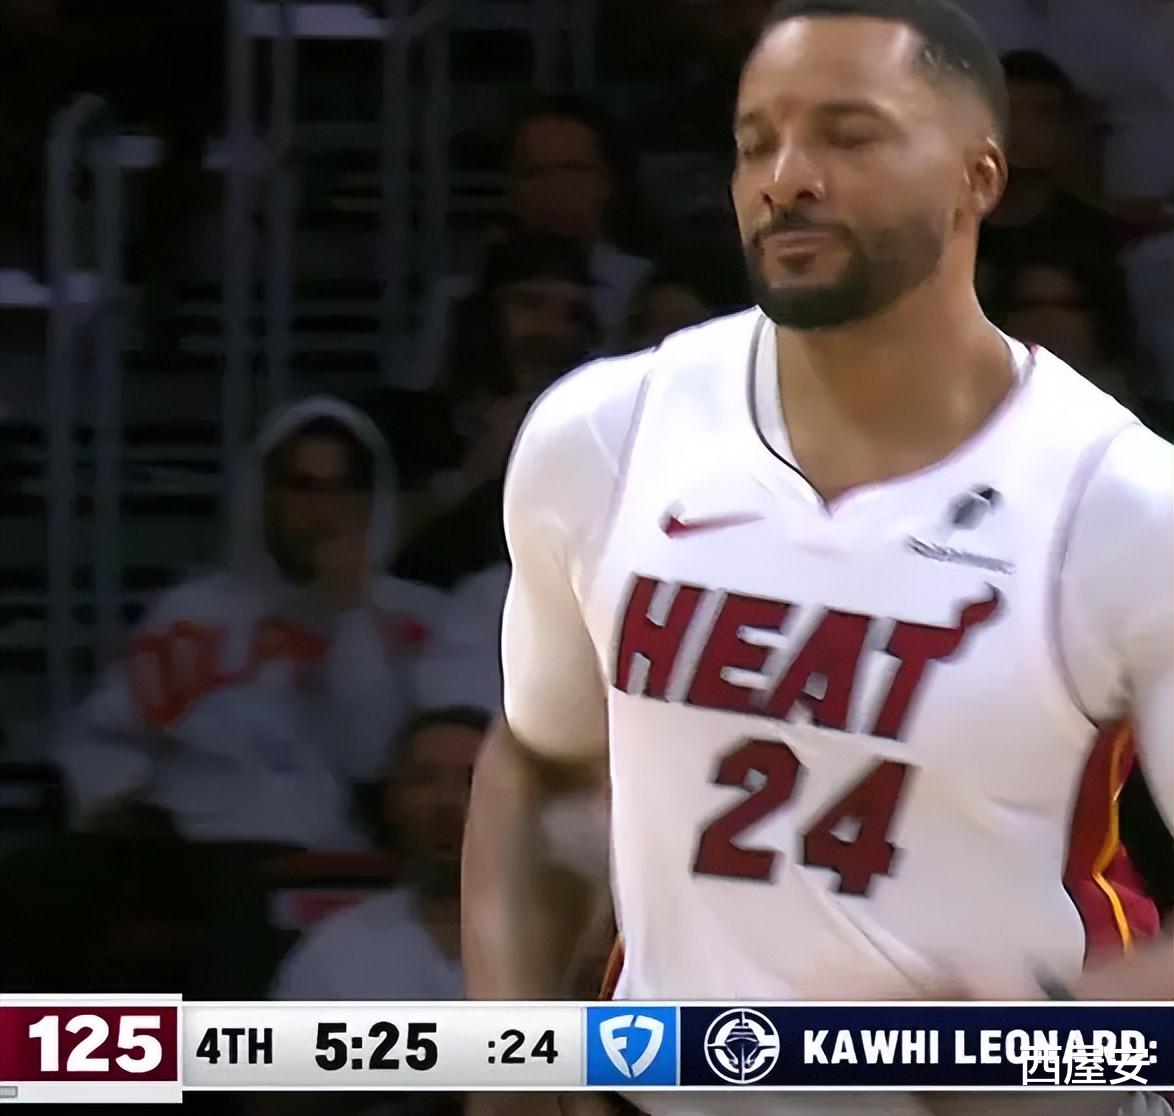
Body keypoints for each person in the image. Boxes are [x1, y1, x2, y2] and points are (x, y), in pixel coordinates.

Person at [462, 3, 1173, 1116]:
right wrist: (508, 1065)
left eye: (849, 135)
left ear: (977, 177)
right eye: (757, 143)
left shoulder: (1122, 503)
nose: (786, 179)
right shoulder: (603, 434)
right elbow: (541, 768)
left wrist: (1056, 1050)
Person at [56, 397, 446, 850]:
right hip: (202, 855)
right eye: (304, 487)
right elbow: (96, 737)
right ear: (265, 495)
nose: (325, 510)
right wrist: (126, 800)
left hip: (349, 861)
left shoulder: (417, 617)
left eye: (343, 489)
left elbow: (370, 758)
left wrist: (351, 615)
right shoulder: (194, 615)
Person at [409, 98, 651, 388]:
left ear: (609, 183)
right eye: (532, 172)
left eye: (572, 169)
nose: (554, 186)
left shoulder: (647, 286)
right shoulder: (458, 295)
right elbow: (420, 399)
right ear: (510, 189)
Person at [272, 706, 486, 1001]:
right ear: (392, 802)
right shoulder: (333, 951)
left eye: (474, 779)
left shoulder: (552, 944)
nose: (448, 801)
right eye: (424, 779)